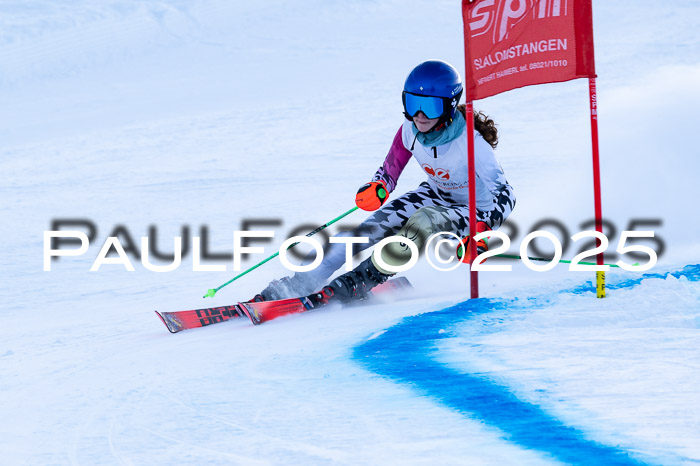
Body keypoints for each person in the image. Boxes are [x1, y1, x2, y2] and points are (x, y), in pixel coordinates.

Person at [255, 59, 515, 303]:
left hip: (473, 210)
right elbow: (390, 170)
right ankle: (298, 283)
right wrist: (379, 186)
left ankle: (362, 279)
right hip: (434, 195)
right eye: (413, 104)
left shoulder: (471, 142)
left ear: (449, 106)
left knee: (420, 223)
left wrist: (481, 230)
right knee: (369, 230)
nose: (420, 115)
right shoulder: (409, 130)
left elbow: (506, 195)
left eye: (431, 106)